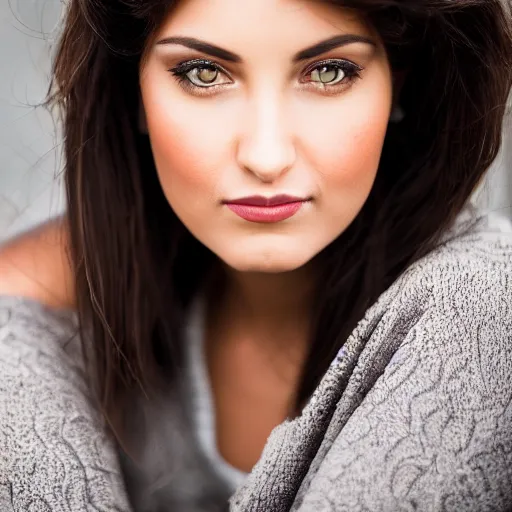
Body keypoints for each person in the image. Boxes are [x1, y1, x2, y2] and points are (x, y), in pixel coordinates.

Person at [0, 0, 511, 510]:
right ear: (132, 89)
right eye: (203, 73)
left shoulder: (476, 306)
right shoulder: (72, 283)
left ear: (400, 83)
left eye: (329, 71)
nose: (266, 157)